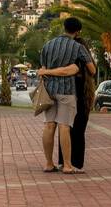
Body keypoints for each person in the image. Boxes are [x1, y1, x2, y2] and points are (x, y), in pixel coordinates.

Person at [37, 17, 93, 175]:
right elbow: (92, 69)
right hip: (67, 91)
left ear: (64, 27)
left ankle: (49, 163)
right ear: (78, 31)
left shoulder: (48, 45)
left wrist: (48, 72)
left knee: (49, 125)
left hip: (49, 91)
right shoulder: (77, 46)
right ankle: (67, 165)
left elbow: (42, 67)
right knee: (64, 126)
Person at [57, 29, 96, 171]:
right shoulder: (85, 67)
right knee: (79, 131)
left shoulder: (67, 61)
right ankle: (77, 163)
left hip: (66, 94)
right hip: (82, 96)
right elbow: (93, 70)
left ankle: (63, 161)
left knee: (65, 129)